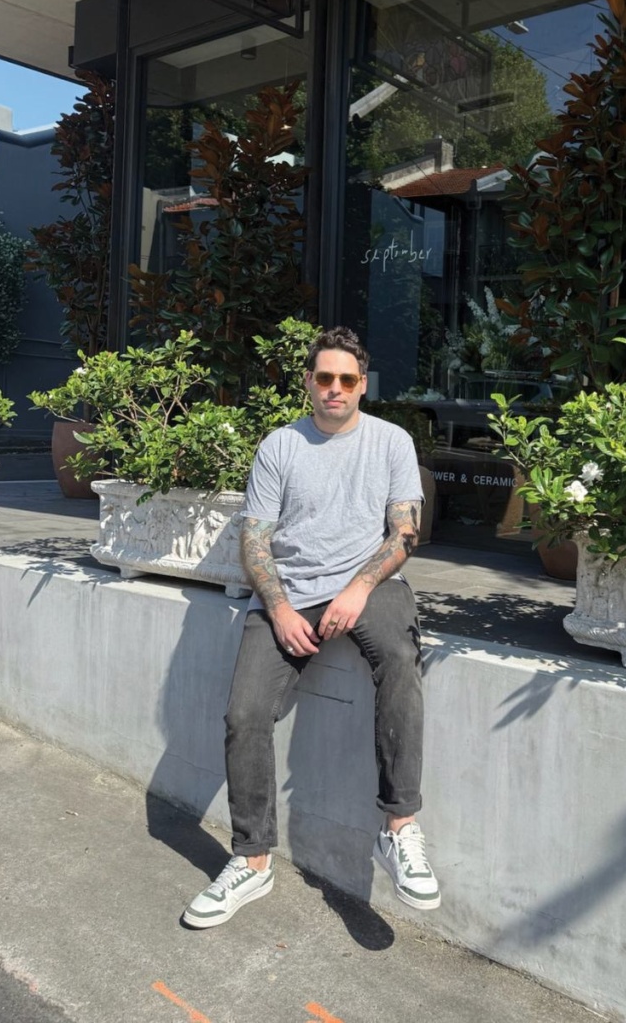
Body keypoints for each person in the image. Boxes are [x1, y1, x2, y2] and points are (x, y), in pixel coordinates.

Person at [183, 327, 439, 928]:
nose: (334, 389)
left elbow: (405, 534)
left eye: (346, 380)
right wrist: (278, 608)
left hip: (369, 586)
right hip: (289, 595)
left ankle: (399, 829)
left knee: (401, 663)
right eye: (323, 378)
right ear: (308, 383)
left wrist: (356, 587)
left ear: (362, 385)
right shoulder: (280, 446)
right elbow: (255, 539)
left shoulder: (392, 442)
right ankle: (251, 861)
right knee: (243, 715)